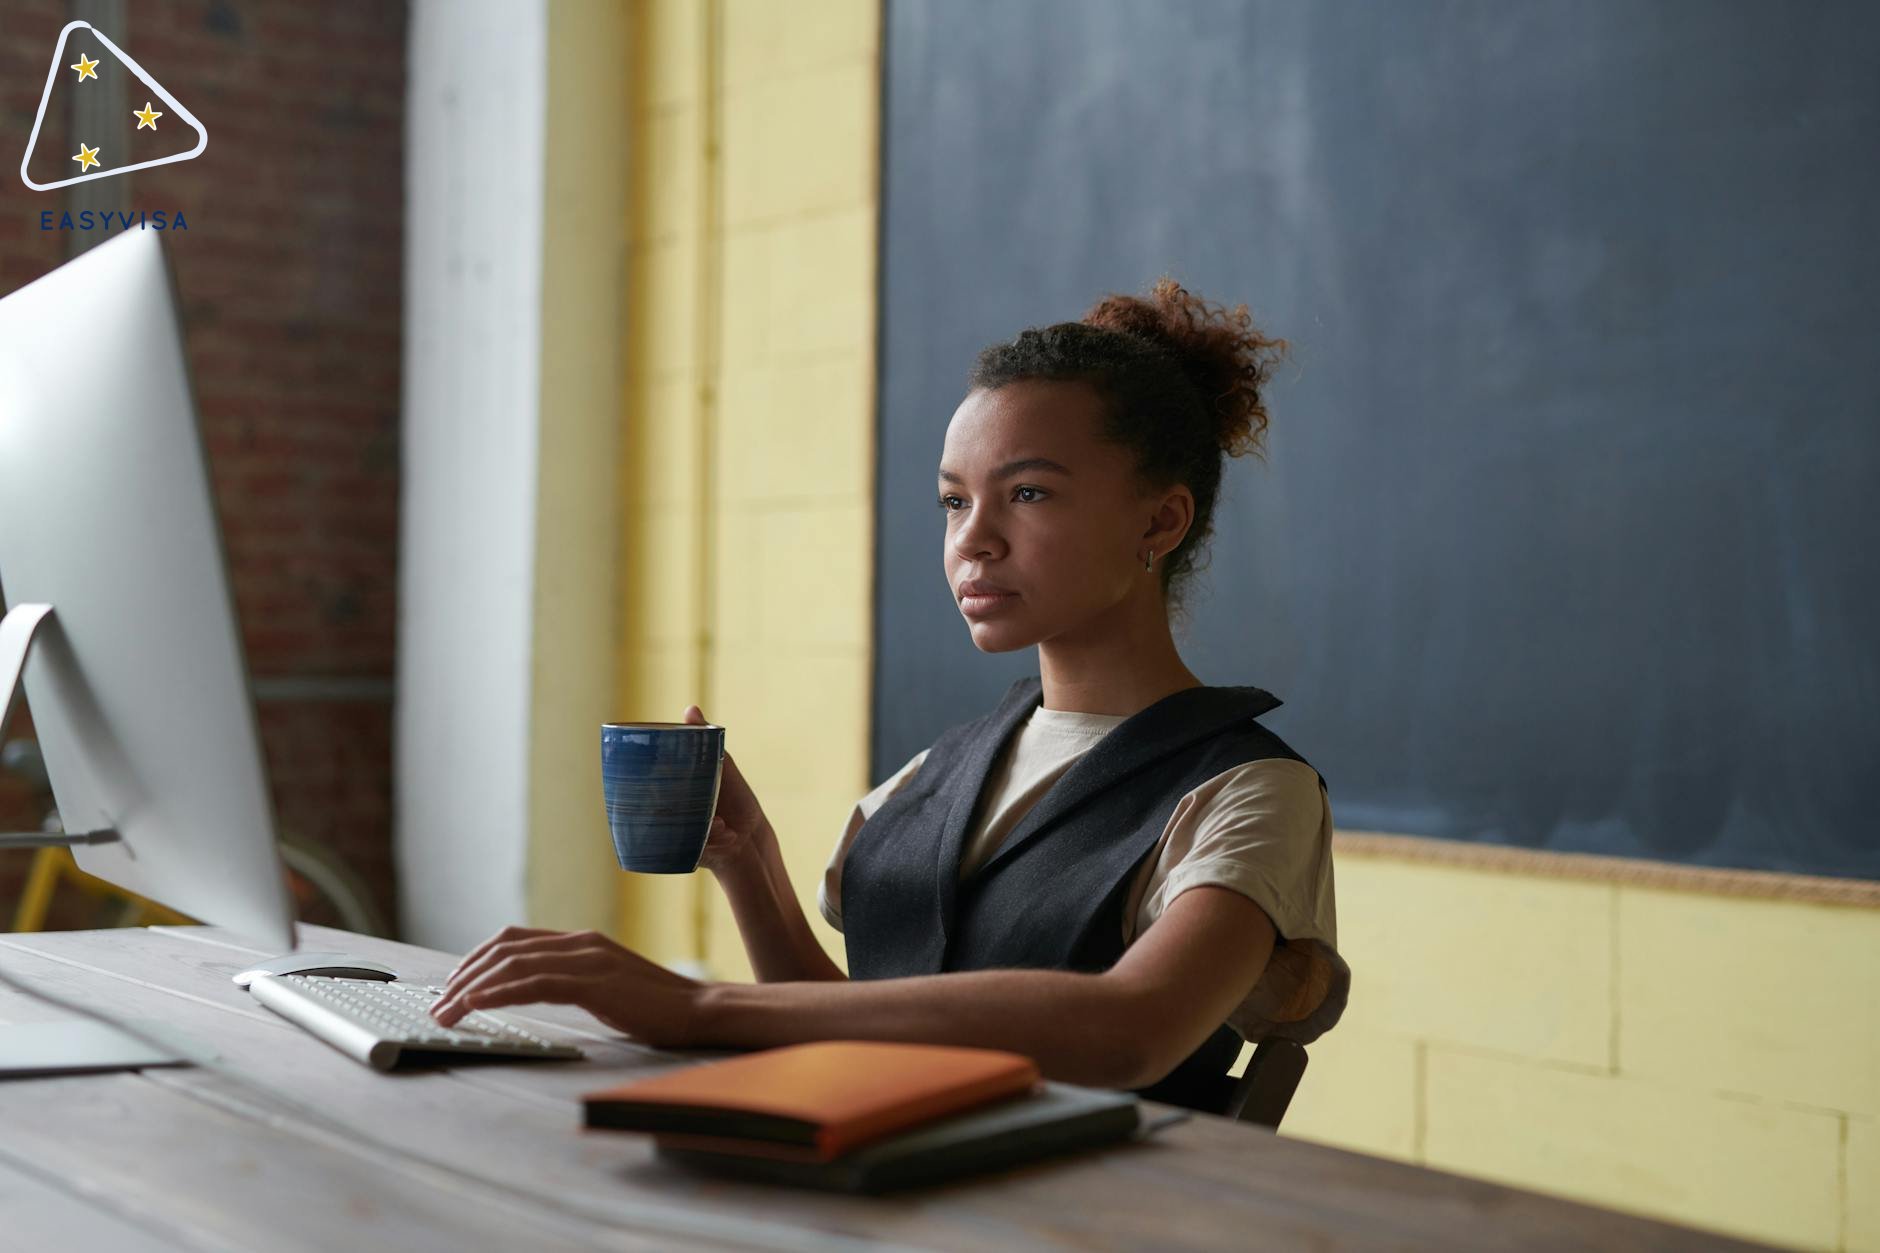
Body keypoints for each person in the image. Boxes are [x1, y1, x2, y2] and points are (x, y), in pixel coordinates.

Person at [433, 278, 1350, 1112]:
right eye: (954, 502)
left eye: (1027, 493)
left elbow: (1131, 1027)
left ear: (1161, 518)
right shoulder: (942, 767)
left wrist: (696, 1005)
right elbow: (857, 1024)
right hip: (877, 1183)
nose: (973, 540)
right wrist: (753, 868)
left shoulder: (1250, 790)